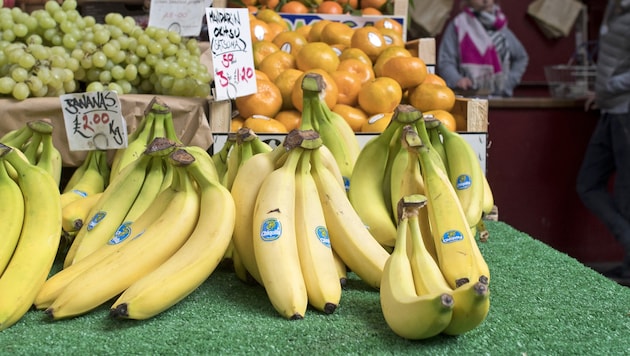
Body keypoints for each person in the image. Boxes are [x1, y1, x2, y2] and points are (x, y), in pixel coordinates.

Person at [577, 0, 630, 280]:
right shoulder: (615, 7)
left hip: (626, 111)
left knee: (626, 192)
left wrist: (609, 87)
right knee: (588, 183)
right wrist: (603, 93)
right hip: (612, 110)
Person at [437, 0, 528, 97]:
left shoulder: (500, 27)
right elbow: (445, 61)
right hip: (468, 97)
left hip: (499, 99)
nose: (485, 1)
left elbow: (521, 57)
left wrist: (507, 83)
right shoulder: (458, 25)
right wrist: (457, 80)